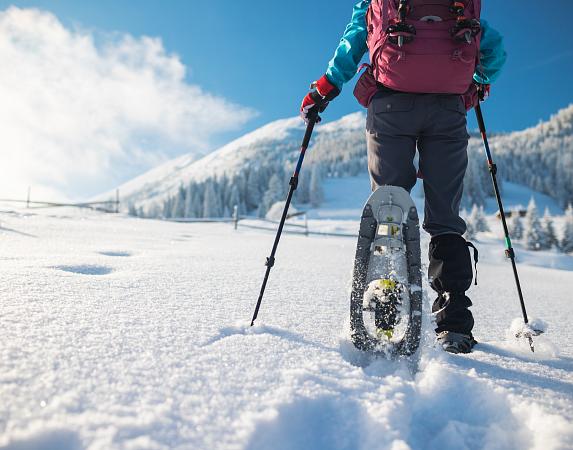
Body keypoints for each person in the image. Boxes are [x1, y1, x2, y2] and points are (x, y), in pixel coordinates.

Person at [300, 0, 506, 353]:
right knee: (445, 218)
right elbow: (493, 48)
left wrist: (325, 87)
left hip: (391, 105)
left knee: (389, 205)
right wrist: (480, 81)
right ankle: (453, 321)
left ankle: (386, 307)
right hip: (448, 108)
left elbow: (355, 39)